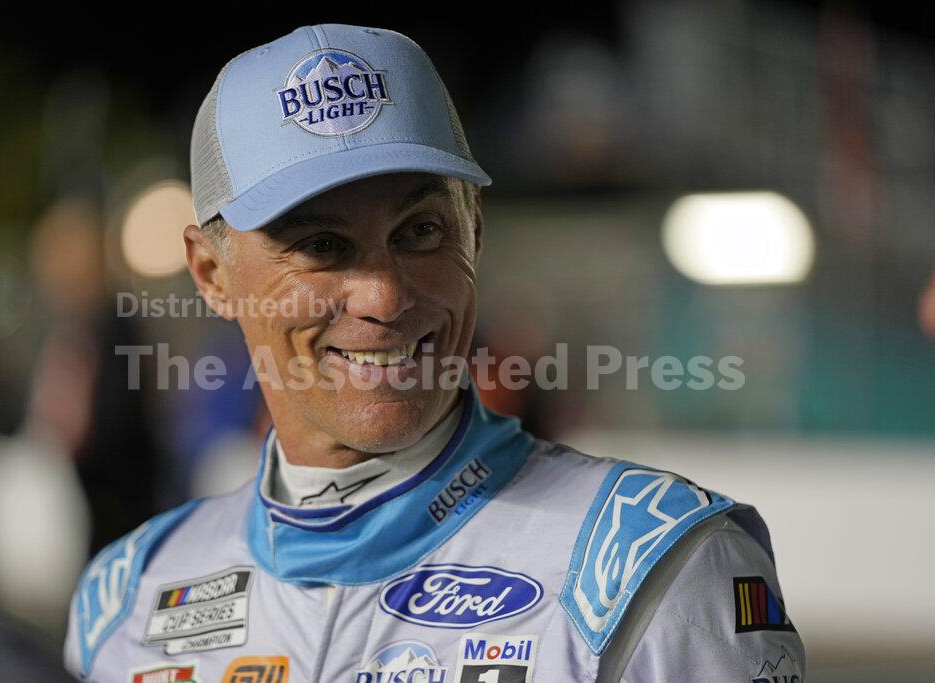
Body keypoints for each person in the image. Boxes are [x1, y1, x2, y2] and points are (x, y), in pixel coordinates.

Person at [64, 24, 805, 682]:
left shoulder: (656, 572)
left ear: (474, 230)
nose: (384, 296)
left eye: (420, 231)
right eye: (321, 245)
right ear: (211, 274)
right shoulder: (124, 602)